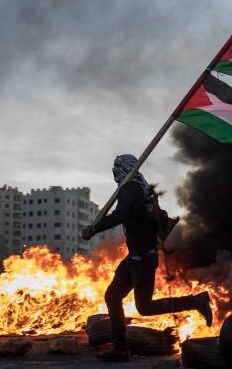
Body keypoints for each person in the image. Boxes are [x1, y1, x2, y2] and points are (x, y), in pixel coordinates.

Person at [81, 154, 212, 362]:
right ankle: (121, 349)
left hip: (142, 259)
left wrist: (94, 229)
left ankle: (196, 301)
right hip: (136, 257)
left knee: (144, 307)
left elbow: (120, 215)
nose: (114, 172)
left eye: (116, 168)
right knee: (113, 296)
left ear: (122, 170)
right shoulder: (143, 189)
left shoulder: (129, 189)